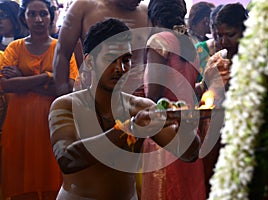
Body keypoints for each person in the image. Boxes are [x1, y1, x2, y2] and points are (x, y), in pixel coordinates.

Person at [49, 18, 200, 200]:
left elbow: (188, 154)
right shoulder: (66, 106)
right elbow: (67, 160)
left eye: (126, 60)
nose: (120, 68)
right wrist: (129, 130)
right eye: (110, 59)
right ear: (89, 62)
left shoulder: (140, 108)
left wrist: (187, 127)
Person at [0, 0, 78, 199]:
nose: (38, 19)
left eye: (43, 14)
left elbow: (66, 89)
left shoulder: (62, 50)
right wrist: (47, 77)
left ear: (51, 16)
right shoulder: (15, 49)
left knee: (54, 184)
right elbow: (6, 85)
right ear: (23, 18)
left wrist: (23, 79)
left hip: (53, 128)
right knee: (20, 187)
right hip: (19, 129)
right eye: (32, 14)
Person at [142, 0, 206, 199]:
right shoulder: (189, 44)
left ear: (153, 17)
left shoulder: (159, 41)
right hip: (189, 128)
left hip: (165, 129)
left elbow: (153, 96)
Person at [195, 3, 249, 197]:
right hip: (212, 139)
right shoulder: (216, 59)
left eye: (230, 34)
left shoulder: (256, 63)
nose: (223, 41)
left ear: (245, 32)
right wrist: (204, 84)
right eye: (218, 35)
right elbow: (199, 94)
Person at [53, 0, 149, 96]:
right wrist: (63, 95)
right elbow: (62, 54)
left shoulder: (146, 12)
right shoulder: (83, 7)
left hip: (136, 98)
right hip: (93, 99)